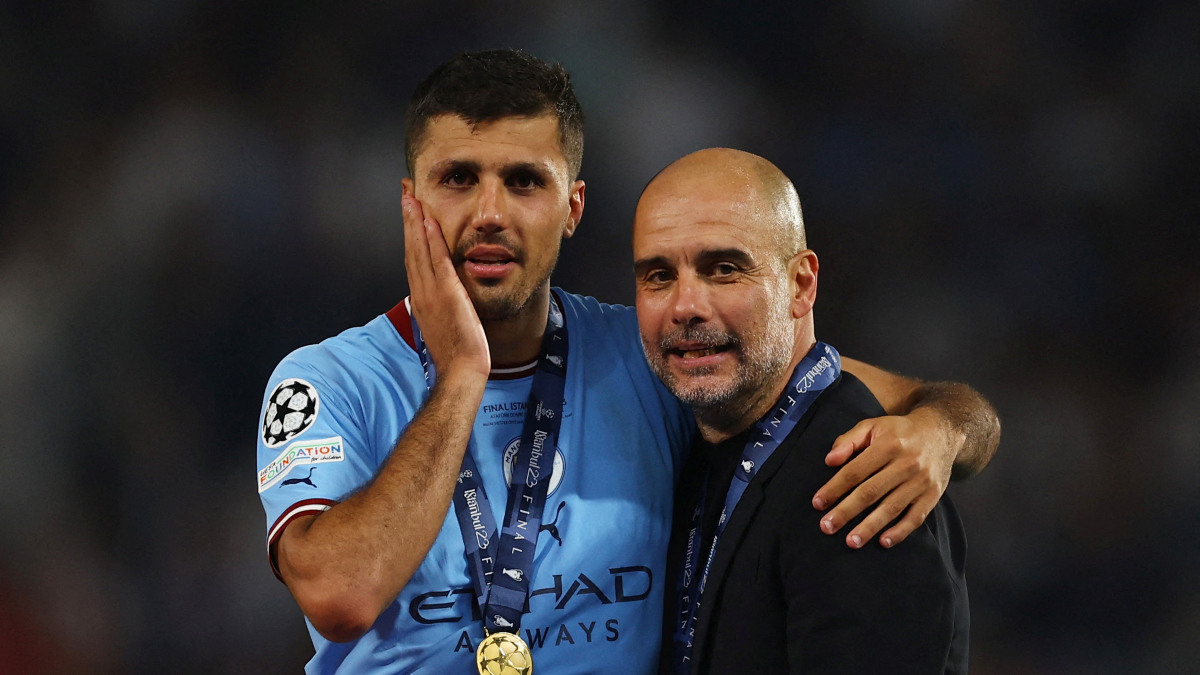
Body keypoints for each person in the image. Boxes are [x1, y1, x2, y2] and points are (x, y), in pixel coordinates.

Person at [255, 49, 997, 673]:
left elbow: (865, 396)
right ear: (411, 202)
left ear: (572, 207)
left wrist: (941, 430)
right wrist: (460, 379)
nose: (489, 212)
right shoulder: (330, 383)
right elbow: (342, 592)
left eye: (523, 181)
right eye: (458, 178)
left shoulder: (654, 354)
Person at [635, 148, 974, 674]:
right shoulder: (684, 439)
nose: (685, 307)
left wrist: (948, 425)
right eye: (658, 275)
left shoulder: (863, 480)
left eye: (723, 269)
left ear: (800, 285)